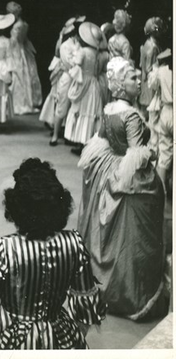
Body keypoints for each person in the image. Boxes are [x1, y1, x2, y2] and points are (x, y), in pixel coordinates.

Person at [0, 158, 107, 350]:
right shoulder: (74, 243)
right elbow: (85, 309)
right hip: (58, 332)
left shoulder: (3, 248)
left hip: (12, 339)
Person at [77, 56, 167, 320]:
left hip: (108, 167)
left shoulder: (109, 108)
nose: (138, 80)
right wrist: (149, 154)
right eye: (132, 78)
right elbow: (135, 151)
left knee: (103, 230)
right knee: (130, 232)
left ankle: (97, 281)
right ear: (119, 83)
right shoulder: (132, 116)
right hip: (124, 172)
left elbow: (103, 139)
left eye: (138, 76)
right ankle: (128, 292)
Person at [64, 22, 104, 155]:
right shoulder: (97, 53)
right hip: (93, 83)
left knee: (81, 110)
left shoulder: (82, 52)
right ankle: (88, 141)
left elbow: (76, 65)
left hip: (83, 82)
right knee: (90, 110)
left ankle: (80, 142)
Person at [48, 21, 81, 146]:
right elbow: (69, 62)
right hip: (68, 77)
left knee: (74, 107)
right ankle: (55, 135)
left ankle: (69, 135)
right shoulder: (65, 45)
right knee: (62, 104)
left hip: (77, 78)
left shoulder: (79, 45)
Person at [6, 2, 43, 114]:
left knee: (19, 75)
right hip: (22, 49)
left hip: (17, 50)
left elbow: (15, 41)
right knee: (22, 74)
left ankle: (20, 102)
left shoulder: (19, 25)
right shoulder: (23, 24)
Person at [148, 48, 173, 196]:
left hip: (165, 111)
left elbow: (153, 86)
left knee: (164, 152)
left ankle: (161, 191)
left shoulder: (161, 71)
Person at [139, 17, 163, 119]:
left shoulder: (148, 43)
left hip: (147, 80)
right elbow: (148, 68)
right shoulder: (153, 47)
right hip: (150, 82)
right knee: (150, 110)